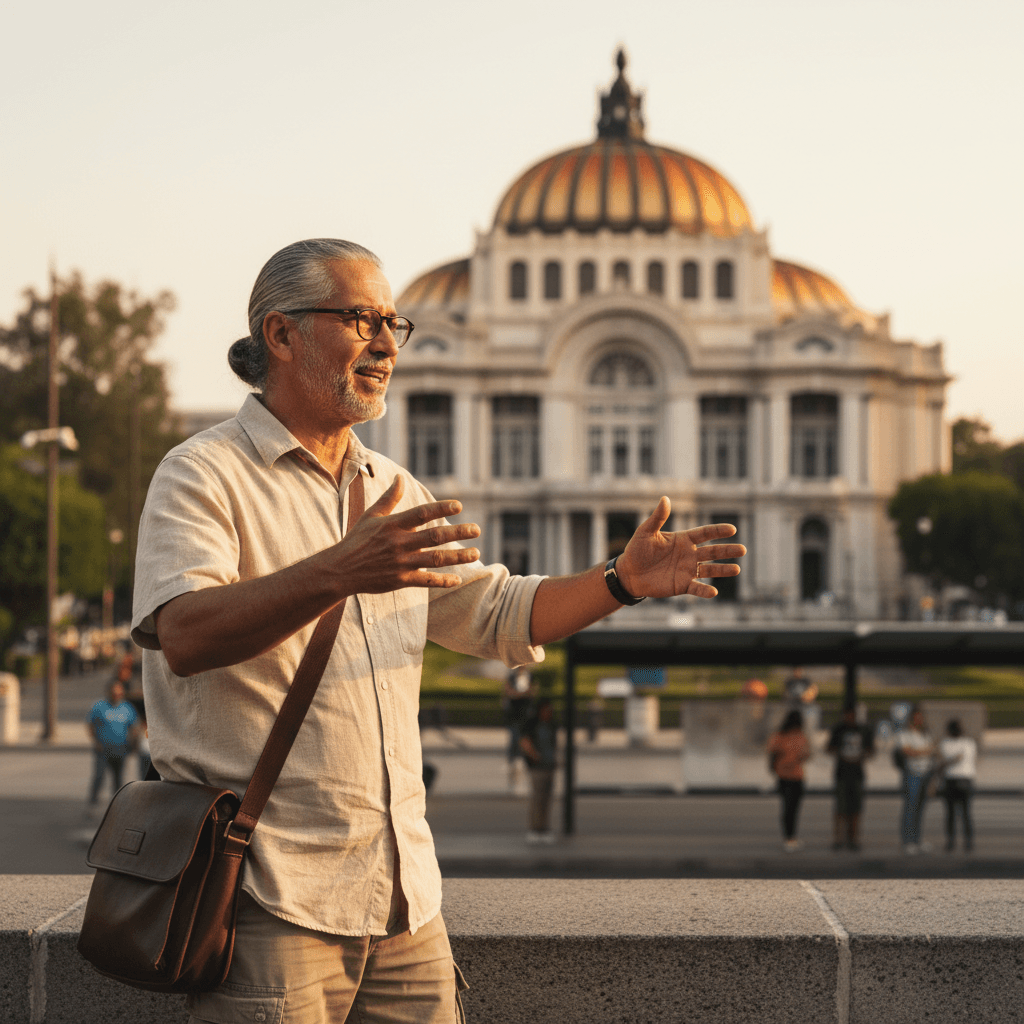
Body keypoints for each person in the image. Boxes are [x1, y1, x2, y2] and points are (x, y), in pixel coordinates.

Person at [131, 238, 745, 1024]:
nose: (387, 343)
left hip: (403, 904)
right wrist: (338, 571)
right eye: (360, 319)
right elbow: (184, 632)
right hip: (267, 901)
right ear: (280, 336)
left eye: (393, 323)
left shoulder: (391, 487)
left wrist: (618, 583)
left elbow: (494, 613)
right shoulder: (203, 474)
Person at [826, 707, 875, 851]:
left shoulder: (864, 730)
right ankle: (838, 838)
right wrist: (842, 755)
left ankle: (854, 838)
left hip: (857, 774)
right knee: (840, 808)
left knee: (856, 809)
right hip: (842, 773)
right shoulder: (838, 730)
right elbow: (829, 748)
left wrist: (860, 756)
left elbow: (871, 750)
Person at [86, 680, 138, 808]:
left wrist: (133, 743)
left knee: (118, 778)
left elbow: (133, 727)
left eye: (118, 692)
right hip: (103, 748)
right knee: (99, 776)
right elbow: (91, 725)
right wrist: (95, 741)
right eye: (114, 691)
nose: (116, 694)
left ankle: (117, 805)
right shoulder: (99, 706)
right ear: (109, 692)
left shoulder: (127, 707)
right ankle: (93, 802)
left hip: (120, 747)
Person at [767, 709, 811, 851]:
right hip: (796, 776)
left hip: (783, 776)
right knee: (793, 809)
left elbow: (772, 753)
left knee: (787, 808)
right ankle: (790, 837)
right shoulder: (801, 736)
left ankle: (789, 837)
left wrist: (774, 768)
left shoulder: (779, 736)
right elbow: (806, 755)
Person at [896, 705, 935, 854]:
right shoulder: (904, 734)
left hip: (926, 773)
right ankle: (907, 841)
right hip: (912, 773)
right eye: (917, 717)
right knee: (910, 807)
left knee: (920, 808)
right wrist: (926, 750)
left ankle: (917, 839)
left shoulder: (925, 734)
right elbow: (908, 752)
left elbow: (932, 751)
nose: (920, 720)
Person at [519, 697, 558, 843]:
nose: (549, 712)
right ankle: (535, 828)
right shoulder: (533, 724)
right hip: (537, 767)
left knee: (546, 798)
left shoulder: (551, 725)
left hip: (549, 765)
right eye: (547, 710)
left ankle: (544, 827)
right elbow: (524, 741)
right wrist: (535, 756)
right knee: (537, 798)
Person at [938, 718, 977, 852]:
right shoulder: (969, 743)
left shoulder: (944, 744)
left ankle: (951, 841)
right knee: (965, 813)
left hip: (951, 780)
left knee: (951, 814)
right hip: (966, 779)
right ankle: (968, 841)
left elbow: (942, 761)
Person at [502, 667, 533, 792]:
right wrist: (521, 694)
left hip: (524, 714)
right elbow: (509, 692)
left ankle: (520, 760)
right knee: (514, 738)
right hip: (515, 715)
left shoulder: (529, 676)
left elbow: (532, 691)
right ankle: (513, 761)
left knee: (522, 737)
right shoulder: (511, 677)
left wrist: (518, 694)